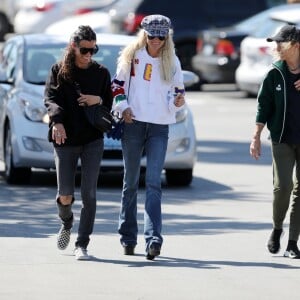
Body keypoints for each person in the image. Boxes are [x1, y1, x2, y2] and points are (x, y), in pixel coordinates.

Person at [111, 14, 186, 260]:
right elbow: (117, 87)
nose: (156, 40)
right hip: (133, 123)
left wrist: (176, 102)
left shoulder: (171, 59)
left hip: (159, 126)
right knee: (130, 182)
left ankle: (154, 239)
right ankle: (127, 237)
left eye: (161, 36)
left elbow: (177, 91)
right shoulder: (131, 56)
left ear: (167, 36)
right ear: (144, 33)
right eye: (151, 35)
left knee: (154, 183)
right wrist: (124, 108)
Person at [44, 25, 113, 260]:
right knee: (65, 194)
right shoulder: (59, 71)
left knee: (89, 194)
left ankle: (82, 243)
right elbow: (50, 99)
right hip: (66, 139)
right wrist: (57, 122)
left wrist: (99, 98)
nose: (89, 55)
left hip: (93, 139)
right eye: (85, 50)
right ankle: (66, 221)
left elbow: (110, 103)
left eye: (93, 50)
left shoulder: (101, 73)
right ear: (73, 46)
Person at [250, 25, 300, 259]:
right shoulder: (274, 73)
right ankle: (277, 227)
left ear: (296, 45)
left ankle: (292, 243)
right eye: (275, 42)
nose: (276, 47)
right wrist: (256, 136)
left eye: (281, 42)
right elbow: (263, 106)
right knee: (283, 188)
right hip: (282, 138)